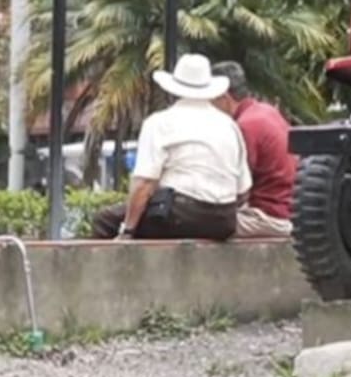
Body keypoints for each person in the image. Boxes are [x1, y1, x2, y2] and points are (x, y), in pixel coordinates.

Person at [92, 53, 251, 241]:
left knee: (104, 220)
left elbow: (144, 184)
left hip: (180, 215)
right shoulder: (229, 125)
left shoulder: (159, 122)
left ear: (174, 89)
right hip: (223, 221)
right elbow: (243, 191)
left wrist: (127, 230)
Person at [211, 61, 295, 238]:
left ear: (224, 98)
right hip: (289, 211)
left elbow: (236, 188)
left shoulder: (245, 126)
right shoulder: (267, 111)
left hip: (268, 218)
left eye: (211, 100)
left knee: (197, 223)